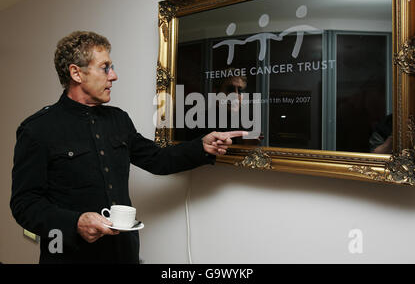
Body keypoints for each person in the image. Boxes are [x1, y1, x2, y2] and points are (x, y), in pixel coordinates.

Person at [10, 31, 246, 264]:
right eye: (105, 68)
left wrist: (202, 146)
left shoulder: (118, 120)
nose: (114, 76)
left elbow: (158, 159)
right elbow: (25, 204)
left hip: (123, 254)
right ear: (76, 73)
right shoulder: (38, 129)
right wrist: (75, 222)